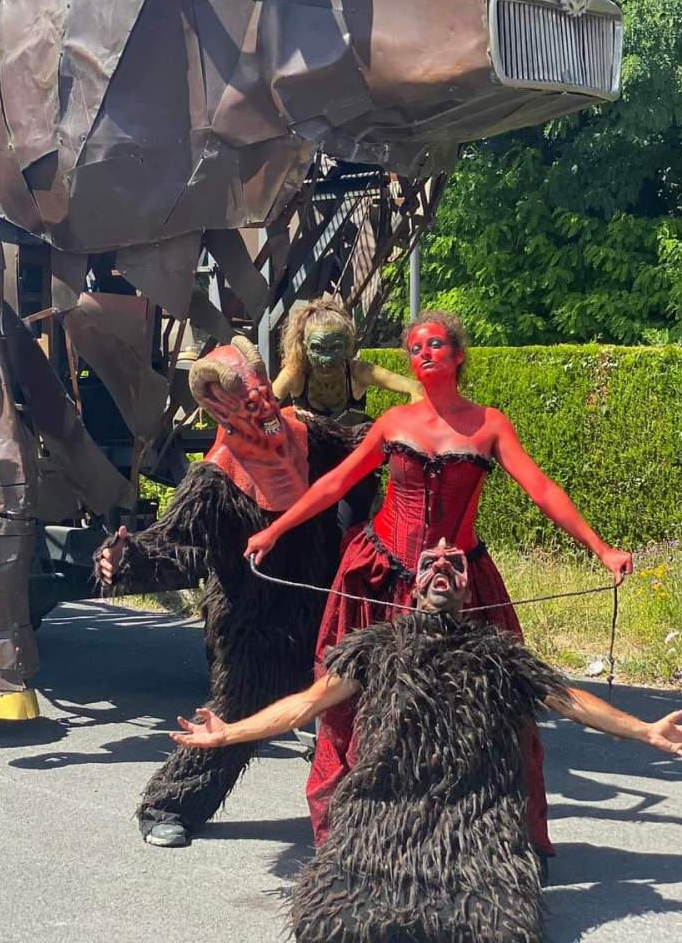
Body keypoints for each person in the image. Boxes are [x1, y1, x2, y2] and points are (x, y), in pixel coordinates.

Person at [173, 543, 682, 943]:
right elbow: (305, 705)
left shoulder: (501, 655)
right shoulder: (375, 649)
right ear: (414, 587)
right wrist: (229, 733)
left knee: (500, 928)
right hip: (381, 821)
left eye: (455, 563)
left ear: (470, 590)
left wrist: (646, 731)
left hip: (476, 829)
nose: (443, 567)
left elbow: (571, 700)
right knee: (331, 923)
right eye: (431, 562)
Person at [245, 310, 634, 856]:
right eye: (414, 348)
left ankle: (496, 836)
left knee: (497, 705)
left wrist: (602, 548)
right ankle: (354, 836)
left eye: (433, 345)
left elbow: (542, 489)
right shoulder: (393, 422)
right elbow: (334, 484)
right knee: (354, 702)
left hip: (459, 580)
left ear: (457, 355)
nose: (422, 354)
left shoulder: (489, 424)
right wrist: (276, 530)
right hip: (382, 576)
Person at [96, 336, 364, 848]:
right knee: (240, 711)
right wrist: (122, 560)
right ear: (220, 408)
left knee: (354, 696)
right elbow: (174, 548)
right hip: (251, 620)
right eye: (244, 395)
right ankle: (168, 805)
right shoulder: (215, 480)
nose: (260, 400)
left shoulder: (309, 435)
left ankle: (365, 807)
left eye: (261, 386)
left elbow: (365, 452)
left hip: (323, 604)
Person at [274, 297, 421, 528]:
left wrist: (408, 422)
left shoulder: (358, 372)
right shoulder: (296, 373)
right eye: (318, 348)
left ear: (347, 345)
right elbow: (266, 405)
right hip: (309, 465)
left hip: (352, 465)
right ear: (304, 345)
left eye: (335, 348)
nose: (326, 359)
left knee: (349, 526)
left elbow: (416, 388)